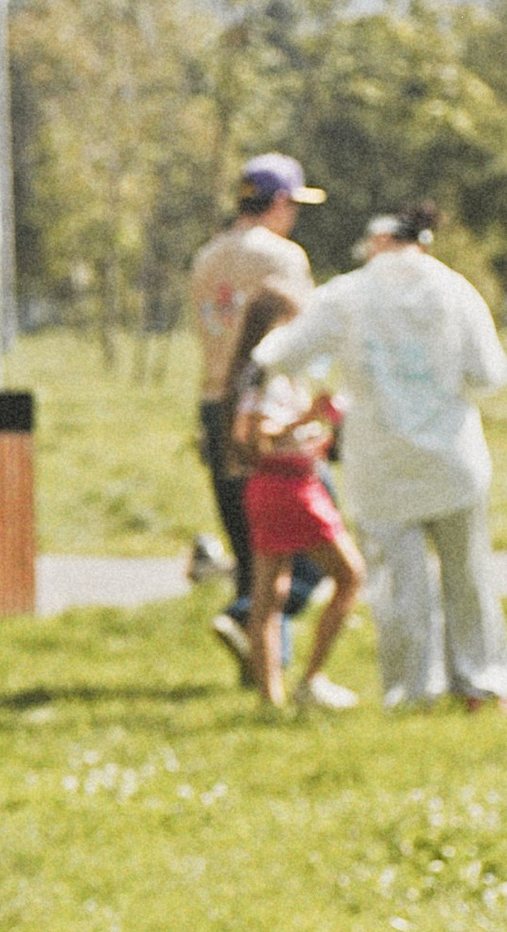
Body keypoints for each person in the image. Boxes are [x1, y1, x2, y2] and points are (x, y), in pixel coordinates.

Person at [259, 204, 507, 710]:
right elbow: (488, 377)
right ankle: (480, 682)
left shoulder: (347, 294)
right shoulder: (456, 290)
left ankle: (412, 691)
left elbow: (282, 354)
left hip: (383, 465)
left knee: (400, 586)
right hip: (453, 460)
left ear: (377, 241)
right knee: (468, 578)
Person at [186, 157, 323, 675]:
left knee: (251, 543)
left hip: (215, 402)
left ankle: (265, 666)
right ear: (280, 203)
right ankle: (248, 617)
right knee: (312, 540)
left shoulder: (206, 258)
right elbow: (306, 339)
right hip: (268, 405)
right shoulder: (283, 258)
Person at [226, 293, 362, 714]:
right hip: (291, 488)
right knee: (350, 576)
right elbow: (259, 434)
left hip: (269, 487)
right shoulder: (269, 373)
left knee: (270, 593)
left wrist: (315, 437)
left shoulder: (258, 374)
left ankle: (271, 695)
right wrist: (309, 418)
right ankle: (311, 678)